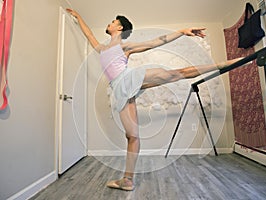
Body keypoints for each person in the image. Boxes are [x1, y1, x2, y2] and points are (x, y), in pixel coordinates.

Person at [66, 8, 241, 191]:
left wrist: (182, 32)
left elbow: (155, 42)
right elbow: (88, 34)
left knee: (176, 75)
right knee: (132, 136)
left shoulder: (124, 47)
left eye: (112, 21)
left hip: (128, 79)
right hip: (120, 90)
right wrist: (78, 16)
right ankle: (127, 180)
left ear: (119, 27)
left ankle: (222, 65)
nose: (109, 23)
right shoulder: (102, 49)